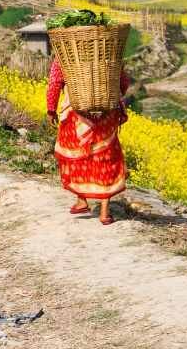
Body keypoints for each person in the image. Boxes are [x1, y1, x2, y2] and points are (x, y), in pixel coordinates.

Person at [46, 59, 129, 225]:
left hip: (76, 111)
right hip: (107, 111)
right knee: (105, 157)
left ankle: (82, 200)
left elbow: (54, 83)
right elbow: (123, 83)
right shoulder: (108, 51)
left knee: (77, 155)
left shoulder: (65, 53)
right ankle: (105, 212)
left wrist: (51, 109)